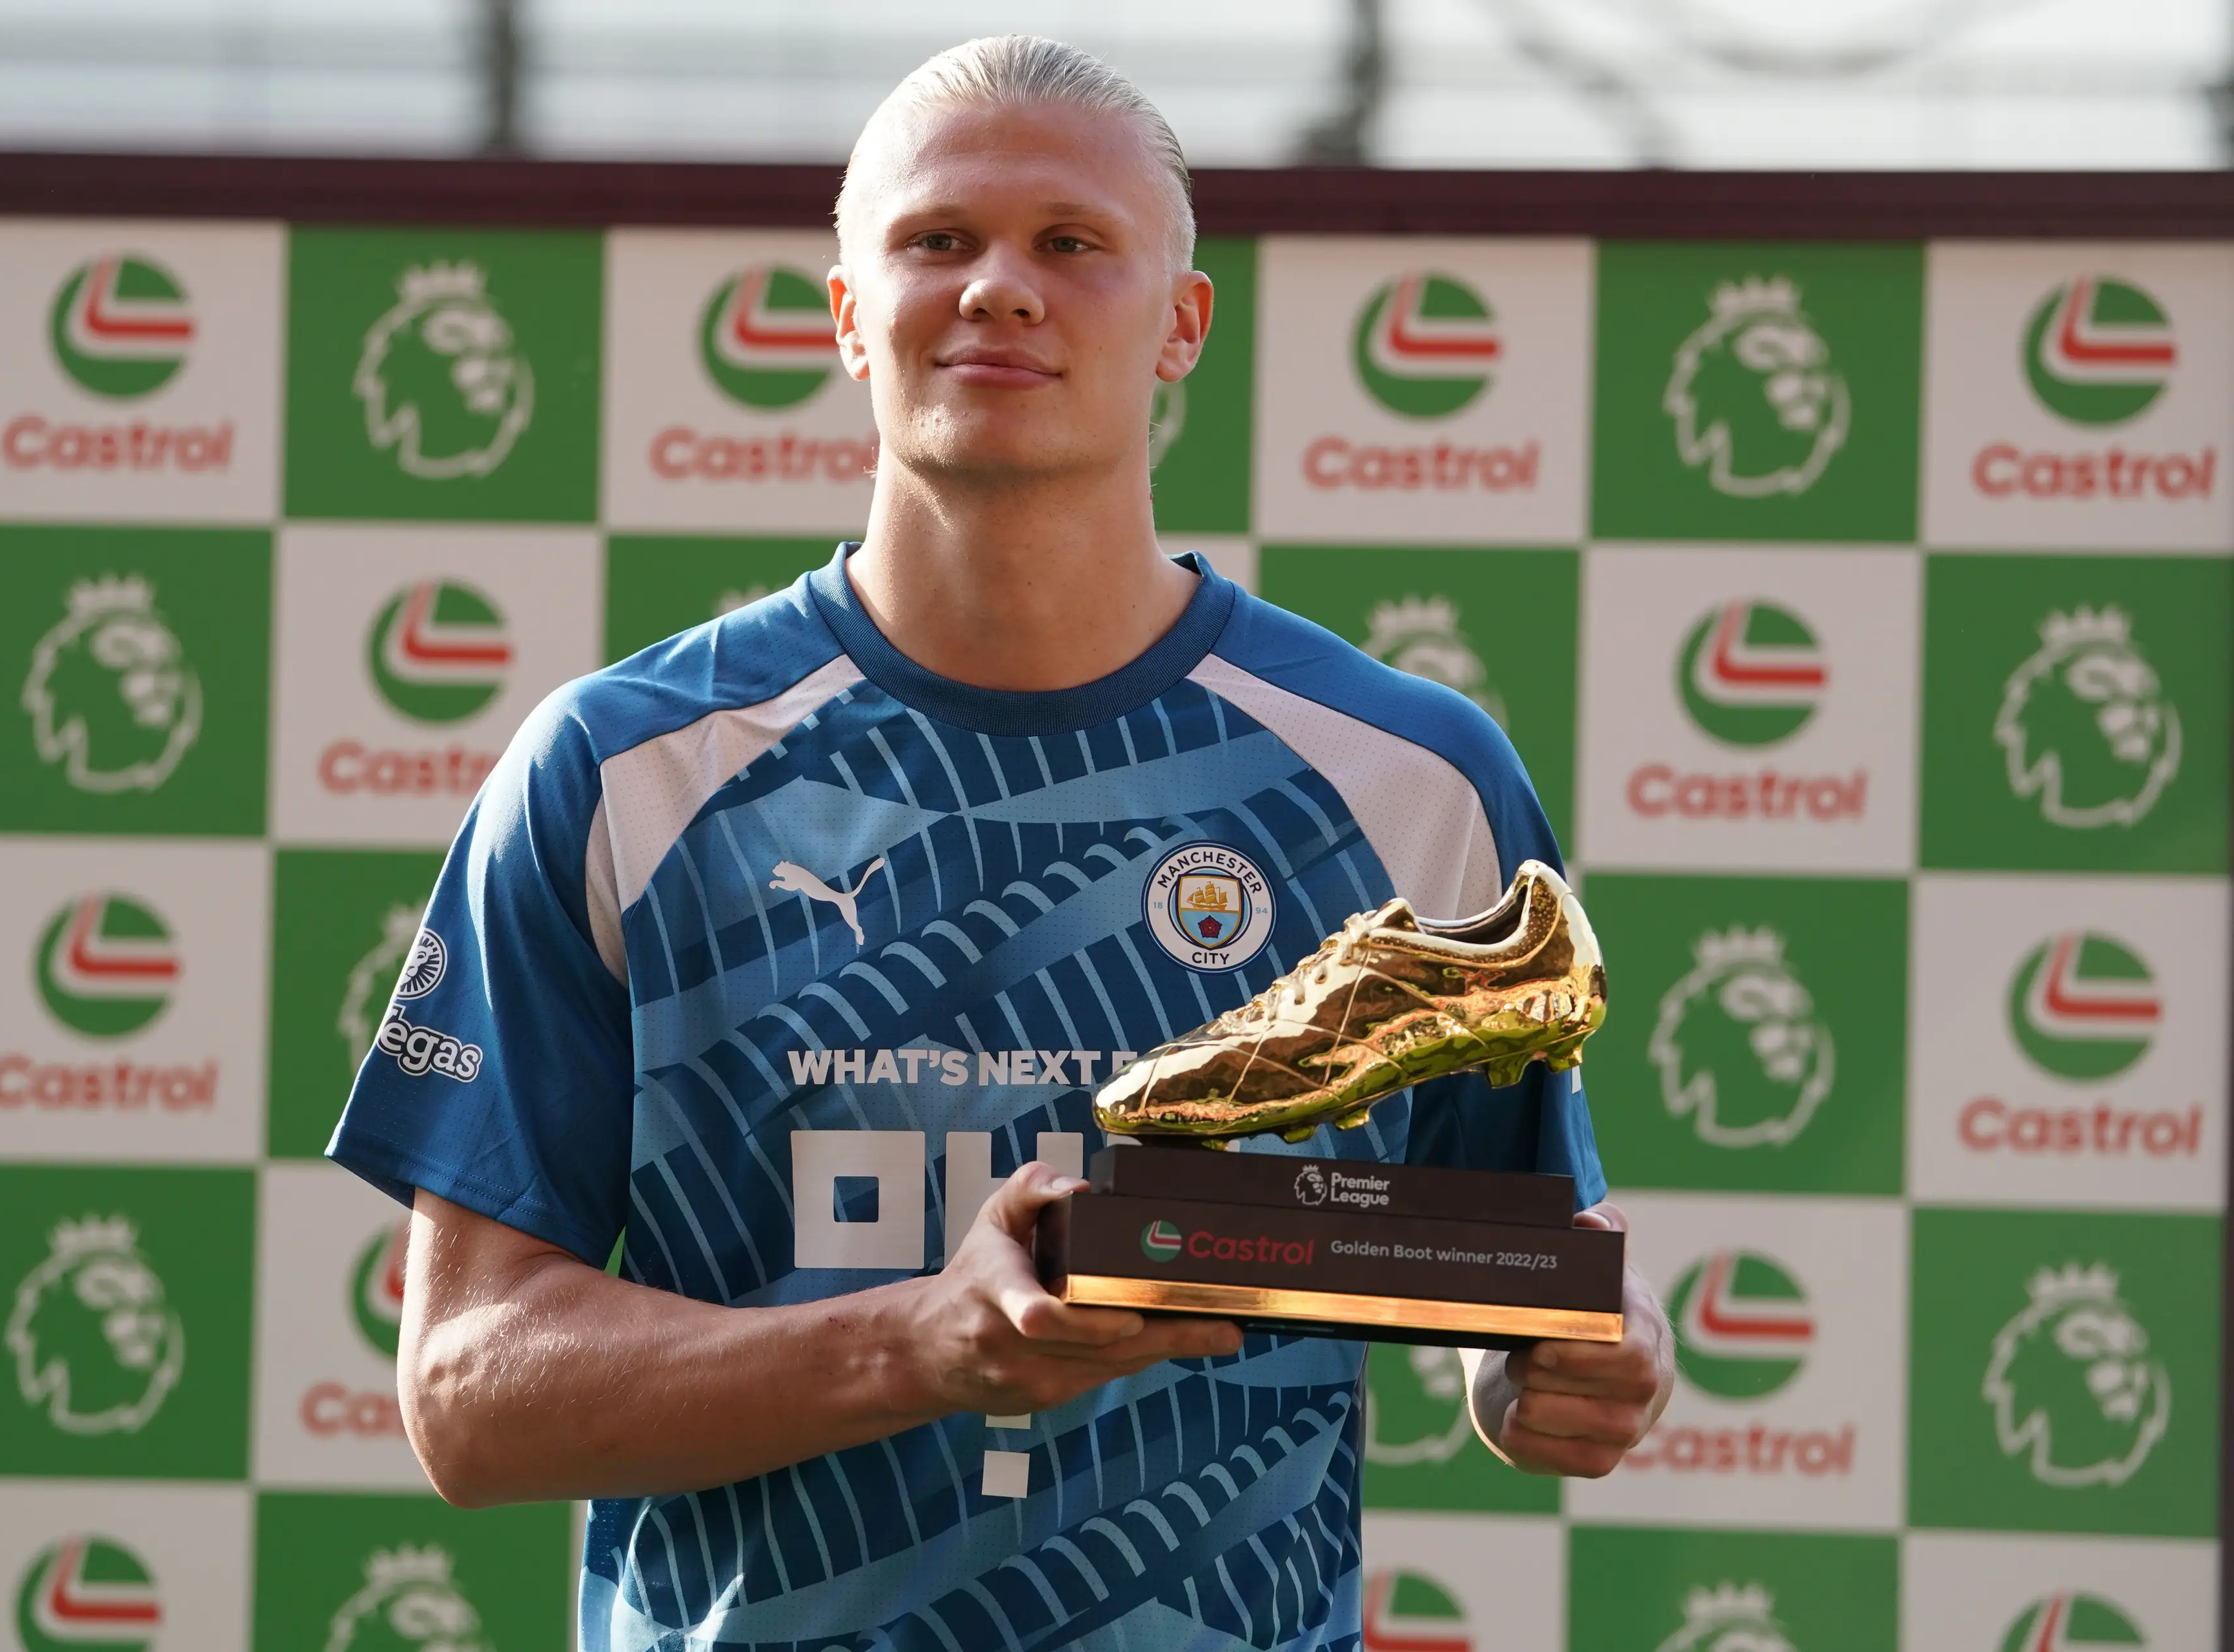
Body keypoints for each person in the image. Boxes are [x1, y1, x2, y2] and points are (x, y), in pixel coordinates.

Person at [329, 34, 1672, 1649]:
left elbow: (1505, 1291)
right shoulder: (618, 771)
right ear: (845, 316)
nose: (1002, 290)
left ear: (1182, 324)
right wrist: (920, 1342)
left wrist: (1572, 1363)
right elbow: (471, 1391)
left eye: (1072, 243)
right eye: (939, 240)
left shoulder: (1411, 776)